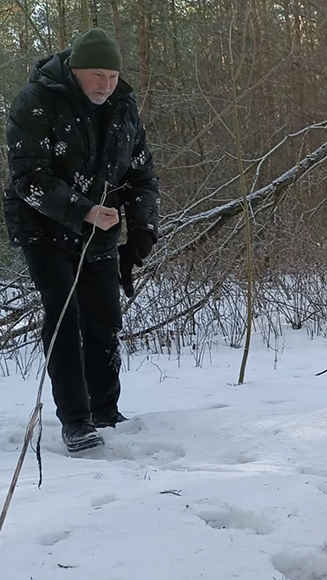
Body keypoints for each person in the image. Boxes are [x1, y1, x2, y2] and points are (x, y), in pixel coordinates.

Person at [3, 28, 159, 452]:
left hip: (100, 231)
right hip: (44, 229)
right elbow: (27, 178)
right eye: (96, 75)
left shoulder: (123, 107)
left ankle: (106, 410)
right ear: (75, 70)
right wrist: (83, 209)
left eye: (111, 75)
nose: (105, 85)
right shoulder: (36, 102)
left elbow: (142, 174)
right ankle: (75, 420)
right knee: (64, 316)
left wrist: (143, 229)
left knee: (105, 317)